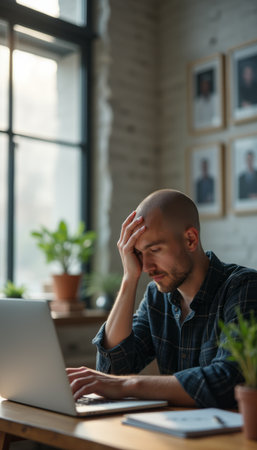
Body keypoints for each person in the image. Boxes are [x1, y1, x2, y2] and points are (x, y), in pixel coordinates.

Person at [67, 189, 257, 408]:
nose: (146, 267)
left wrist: (127, 386)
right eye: (138, 254)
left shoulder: (244, 287)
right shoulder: (156, 297)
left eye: (155, 249)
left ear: (190, 239)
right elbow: (112, 370)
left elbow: (227, 379)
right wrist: (129, 279)